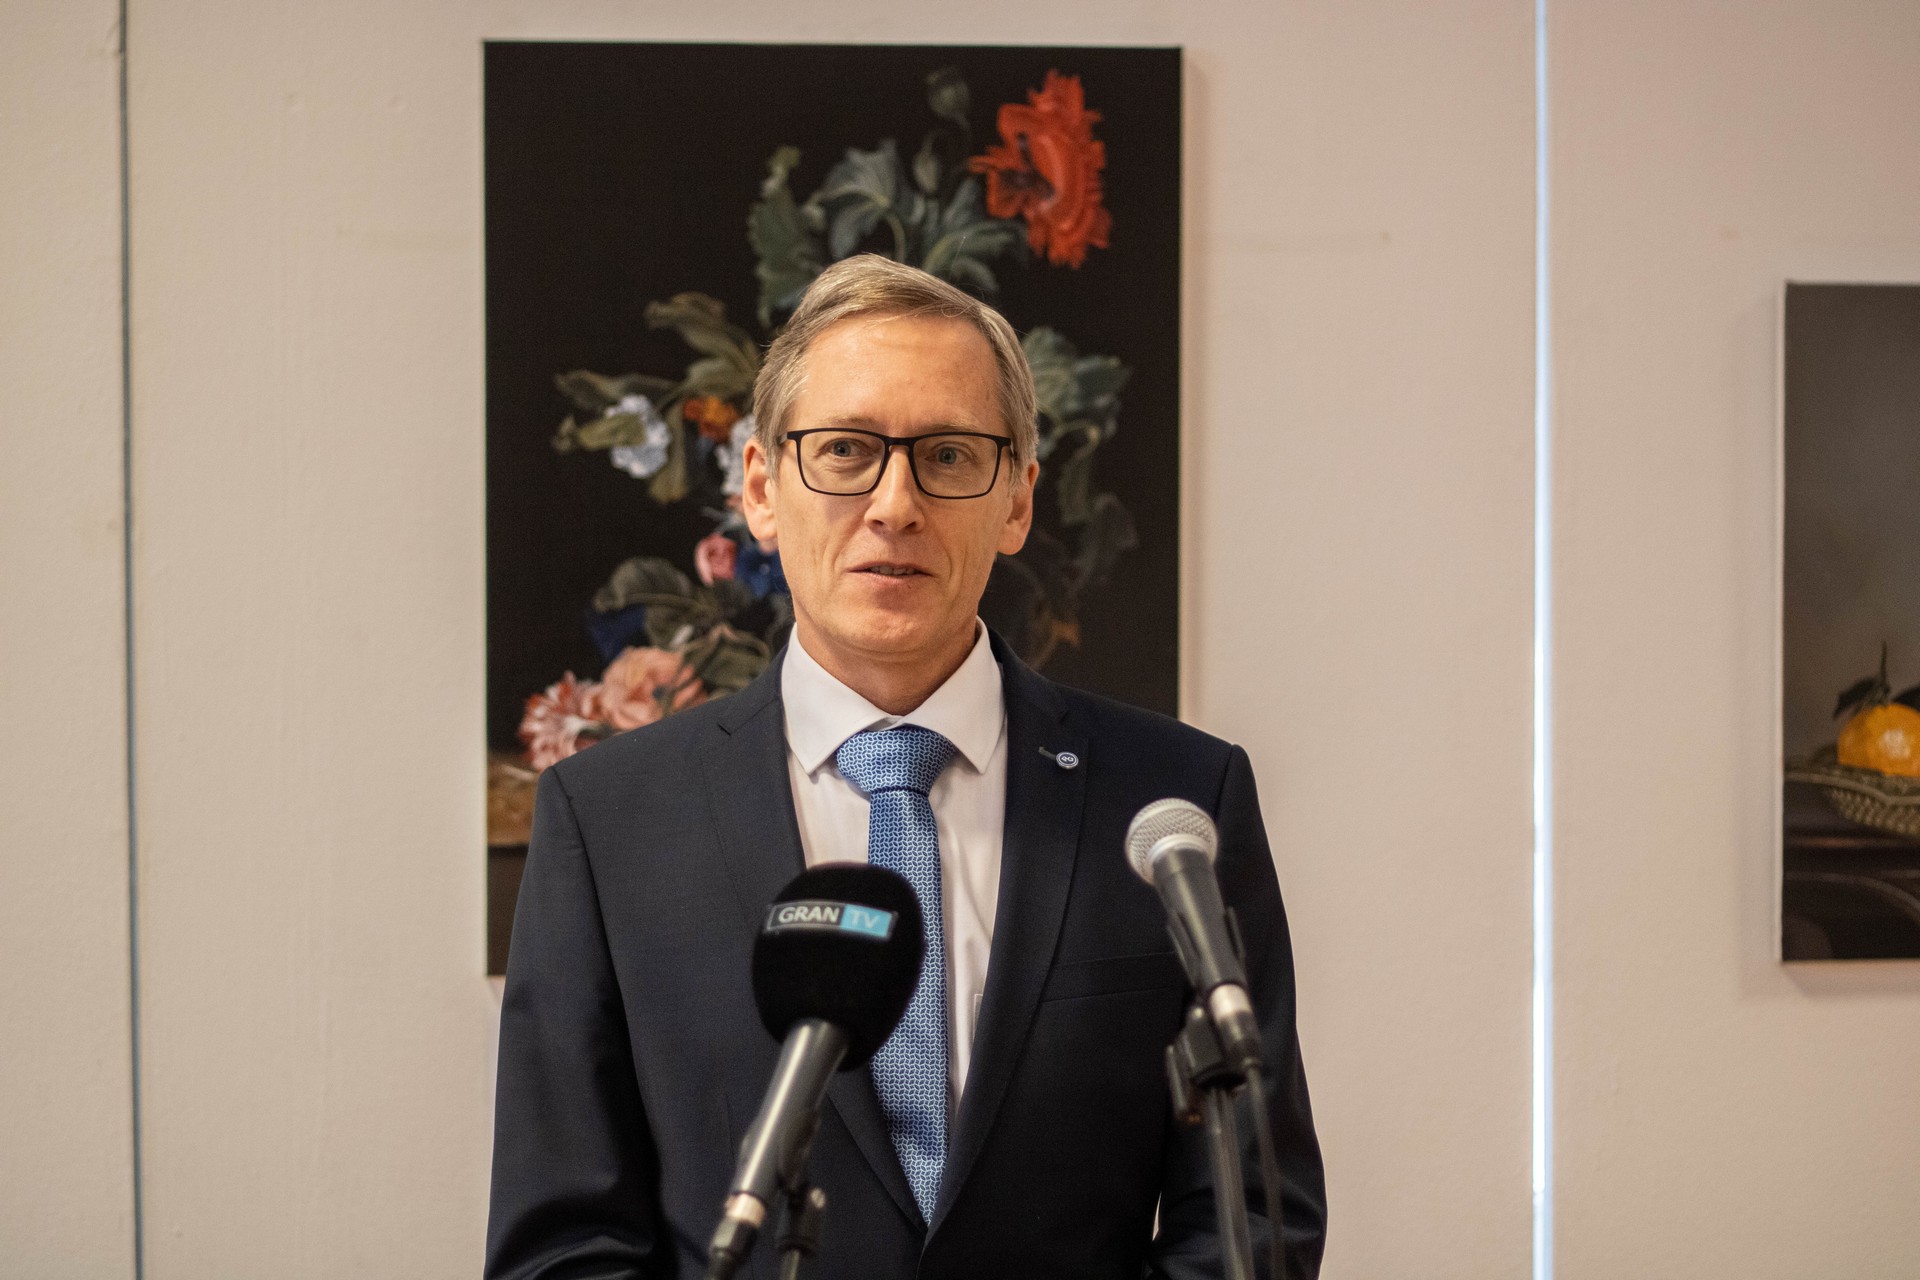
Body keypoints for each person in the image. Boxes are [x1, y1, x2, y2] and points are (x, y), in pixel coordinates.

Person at [486, 255, 1326, 1279]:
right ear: (761, 487)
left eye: (949, 454)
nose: (895, 503)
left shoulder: (1176, 804)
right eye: (845, 450)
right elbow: (565, 1248)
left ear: (1016, 500)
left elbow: (1249, 1222)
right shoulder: (609, 819)